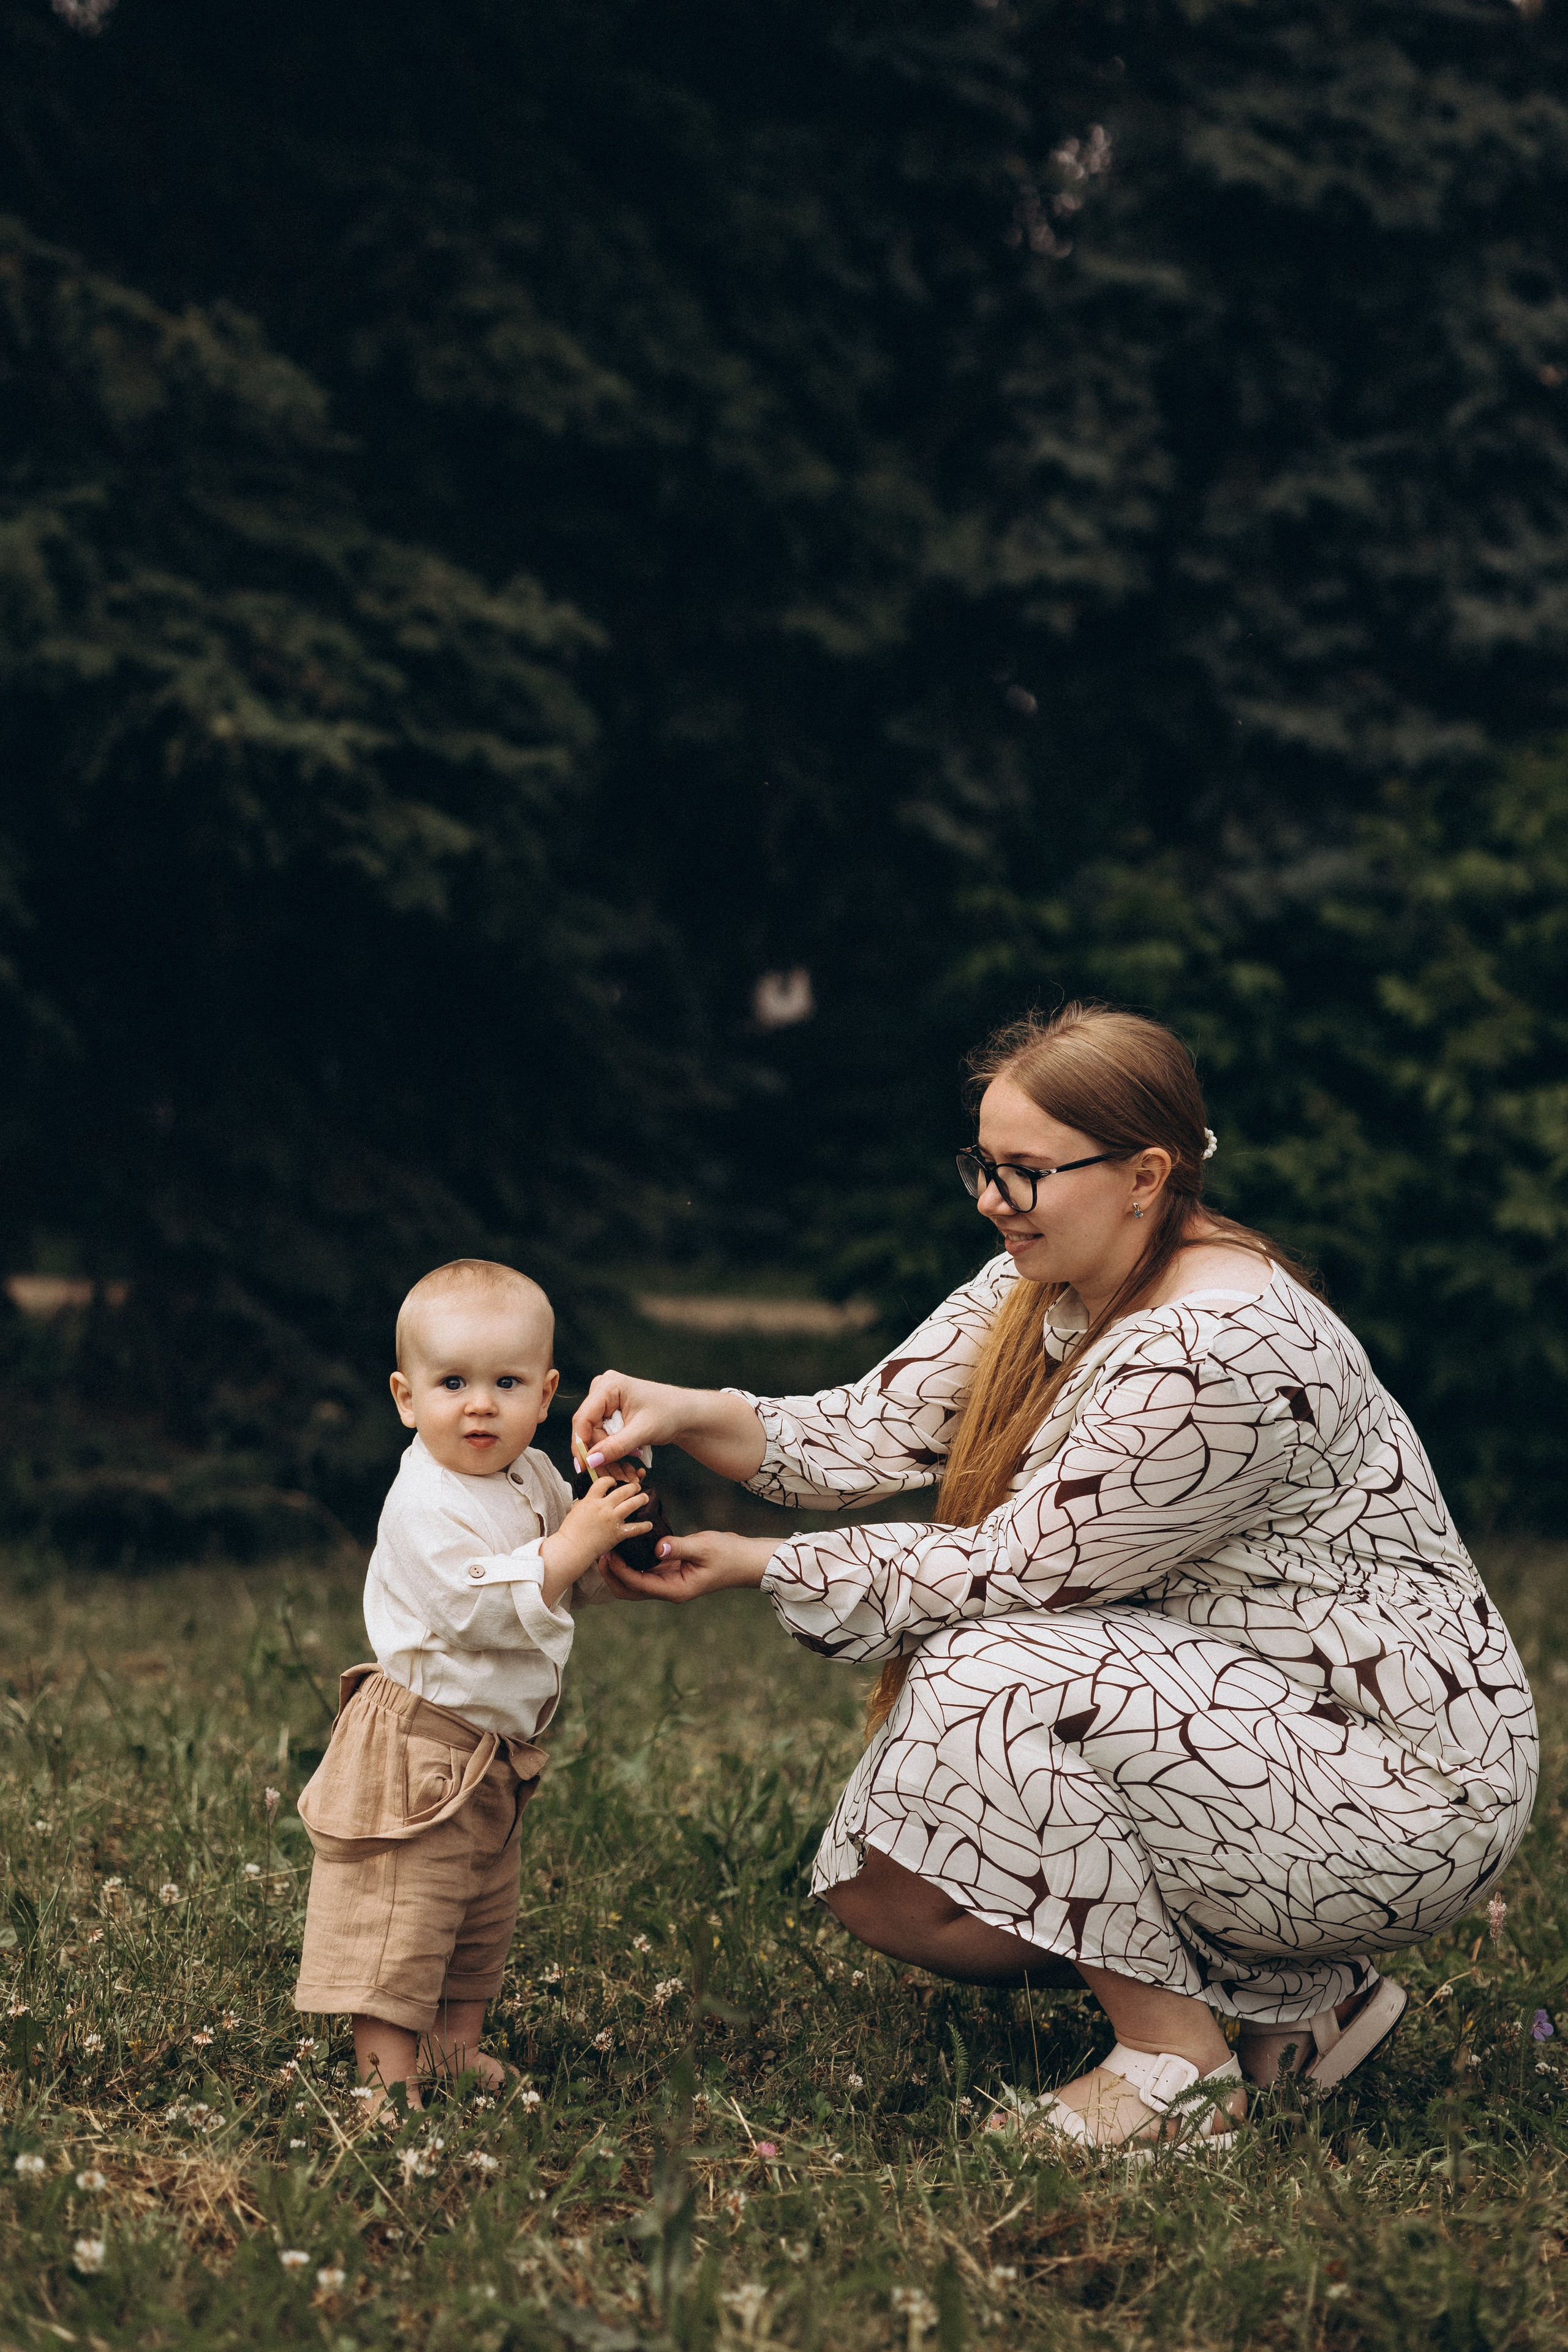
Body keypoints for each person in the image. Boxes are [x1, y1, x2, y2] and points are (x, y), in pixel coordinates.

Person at [574, 1006, 1538, 2154]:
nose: (993, 1199)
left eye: (1025, 1172)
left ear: (1146, 1175)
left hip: (1404, 1789)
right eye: (983, 1165)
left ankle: (1175, 2074)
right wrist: (684, 1411)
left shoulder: (1226, 1347)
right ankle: (1301, 2000)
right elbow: (864, 1432)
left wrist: (757, 1566)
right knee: (891, 1894)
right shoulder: (1047, 1279)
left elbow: (1012, 1573)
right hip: (1246, 1725)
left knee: (988, 1666)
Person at [294, 1257, 651, 2110]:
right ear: (406, 1398)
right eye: (453, 1382)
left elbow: (561, 1573)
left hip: (494, 1754)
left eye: (507, 1383)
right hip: (417, 1744)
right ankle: (384, 2084)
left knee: (478, 1916)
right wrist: (572, 1547)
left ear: (547, 1394)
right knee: (404, 1914)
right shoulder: (424, 1500)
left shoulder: (531, 1475)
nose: (481, 1404)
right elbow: (476, 1609)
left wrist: (614, 1552)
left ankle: (454, 2046)